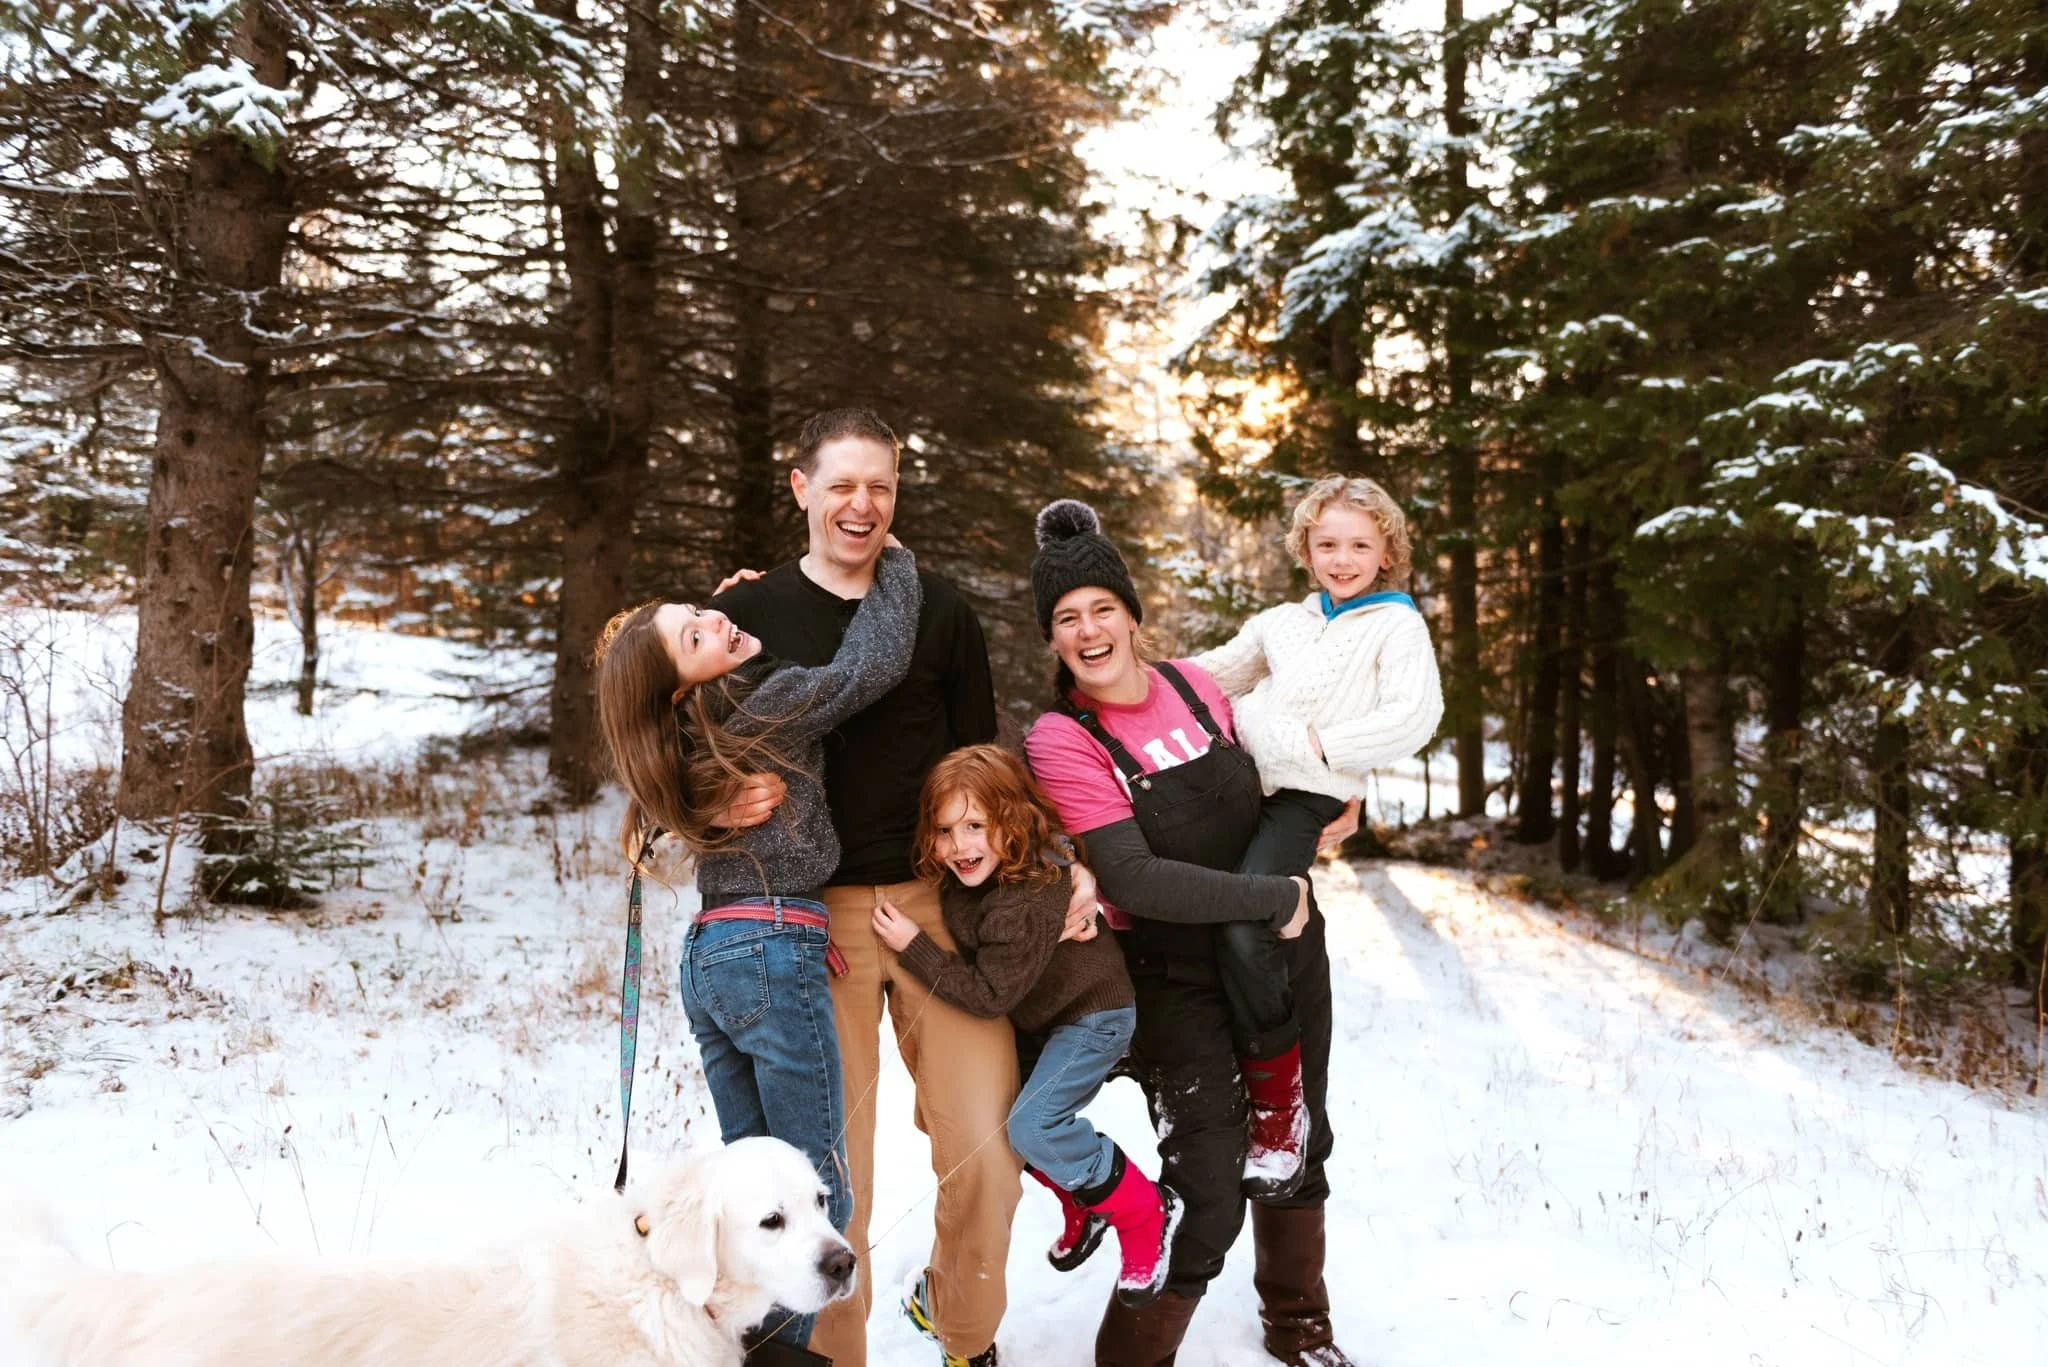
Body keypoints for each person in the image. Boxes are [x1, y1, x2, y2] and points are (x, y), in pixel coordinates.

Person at [707, 408, 1096, 1367]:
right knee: (834, 1176)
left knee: (986, 1147)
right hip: (807, 917)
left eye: (879, 484)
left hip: (936, 904)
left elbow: (982, 764)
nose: (861, 503)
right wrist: (724, 800)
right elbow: (690, 754)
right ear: (800, 488)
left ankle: (965, 1334)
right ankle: (833, 1358)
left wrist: (1053, 870)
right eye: (840, 483)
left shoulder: (941, 609)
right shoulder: (746, 618)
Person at [1022, 498, 1358, 1367]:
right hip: (1173, 976)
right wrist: (1270, 896)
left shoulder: (1197, 685)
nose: (1090, 630)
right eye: (1067, 619)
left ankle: (1298, 1322)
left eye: (1103, 608)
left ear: (1133, 613)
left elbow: (1287, 769)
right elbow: (1134, 876)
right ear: (1052, 638)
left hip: (1281, 947)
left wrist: (1340, 798)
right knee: (1209, 1183)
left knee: (1299, 1137)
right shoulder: (1063, 739)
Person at [591, 541, 921, 1361]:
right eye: (692, 633)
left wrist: (731, 611)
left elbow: (685, 662)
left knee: (754, 1194)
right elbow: (868, 664)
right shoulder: (765, 702)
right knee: (819, 1193)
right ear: (681, 681)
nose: (709, 621)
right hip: (772, 946)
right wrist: (896, 560)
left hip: (712, 958)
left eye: (695, 611)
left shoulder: (687, 741)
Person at [1186, 475, 1443, 1199]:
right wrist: (1127, 677)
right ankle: (1248, 1087)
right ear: (1305, 548)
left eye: (1359, 544)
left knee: (1246, 924)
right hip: (1238, 787)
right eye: (1326, 543)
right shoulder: (1285, 621)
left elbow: (1414, 713)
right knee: (1217, 920)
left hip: (1305, 798)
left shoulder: (1397, 625)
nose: (1342, 557)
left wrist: (1324, 747)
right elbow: (1213, 676)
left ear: (1387, 550)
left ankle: (1282, 1103)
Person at [870, 744, 1179, 1308]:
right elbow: (1051, 842)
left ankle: (1142, 1211)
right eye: (944, 830)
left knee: (1034, 1126)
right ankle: (1082, 1203)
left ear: (1010, 821)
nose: (958, 846)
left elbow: (988, 994)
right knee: (1003, 1122)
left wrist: (913, 948)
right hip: (1049, 1018)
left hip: (1093, 1015)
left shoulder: (1021, 902)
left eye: (974, 825)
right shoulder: (989, 870)